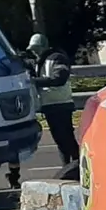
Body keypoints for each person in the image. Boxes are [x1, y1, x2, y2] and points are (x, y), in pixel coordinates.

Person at [23, 34, 76, 179]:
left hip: (60, 103)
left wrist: (34, 81)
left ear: (43, 47)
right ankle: (68, 168)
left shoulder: (57, 58)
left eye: (36, 49)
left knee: (66, 139)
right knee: (61, 140)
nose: (34, 52)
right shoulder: (40, 61)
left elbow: (59, 79)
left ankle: (75, 167)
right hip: (50, 105)